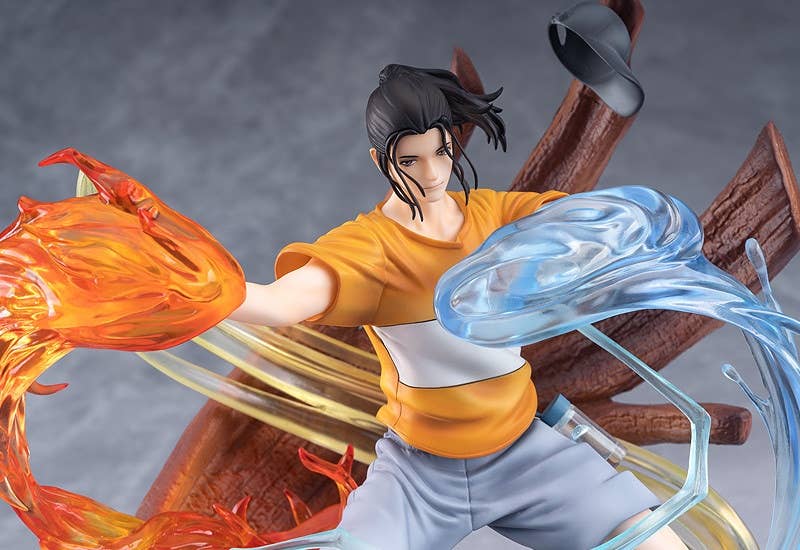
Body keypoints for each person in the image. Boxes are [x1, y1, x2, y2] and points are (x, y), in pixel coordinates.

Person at [230, 64, 686, 550]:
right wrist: (200, 290)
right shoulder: (371, 249)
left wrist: (632, 226)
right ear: (381, 160)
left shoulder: (493, 217)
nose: (432, 174)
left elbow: (583, 225)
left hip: (526, 455)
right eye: (410, 160)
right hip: (420, 478)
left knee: (656, 543)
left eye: (441, 152)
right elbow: (278, 303)